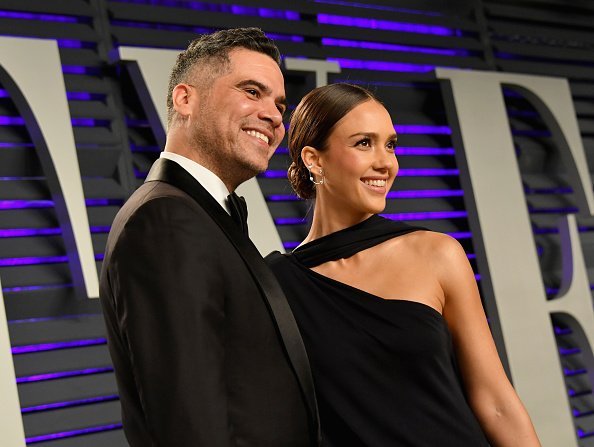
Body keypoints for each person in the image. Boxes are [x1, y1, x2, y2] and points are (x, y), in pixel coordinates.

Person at [266, 83, 541, 446]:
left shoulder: (436, 254)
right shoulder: (278, 285)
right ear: (314, 159)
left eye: (391, 144)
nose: (385, 162)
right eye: (364, 143)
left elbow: (497, 403)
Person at [100, 28, 320, 446]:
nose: (275, 116)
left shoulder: (196, 214)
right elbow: (190, 425)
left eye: (279, 104)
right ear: (185, 99)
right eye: (252, 91)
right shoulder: (165, 221)